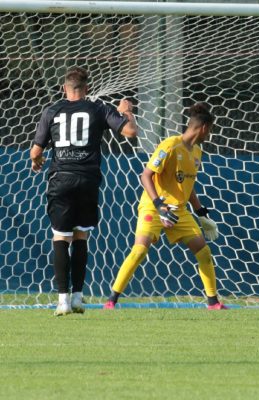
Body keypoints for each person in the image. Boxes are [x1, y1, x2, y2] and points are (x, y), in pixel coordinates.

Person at [31, 66, 138, 316]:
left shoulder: (52, 110)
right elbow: (131, 132)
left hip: (61, 179)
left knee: (60, 237)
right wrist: (127, 112)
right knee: (81, 237)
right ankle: (78, 297)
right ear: (87, 88)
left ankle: (62, 301)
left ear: (63, 89)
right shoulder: (99, 109)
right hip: (88, 180)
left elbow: (36, 151)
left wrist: (37, 161)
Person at [103, 102, 227, 310]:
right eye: (210, 130)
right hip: (154, 206)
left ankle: (213, 303)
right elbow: (146, 176)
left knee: (203, 252)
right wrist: (159, 206)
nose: (209, 134)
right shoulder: (170, 145)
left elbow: (188, 184)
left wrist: (201, 213)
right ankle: (111, 300)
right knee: (140, 250)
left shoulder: (197, 152)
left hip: (178, 210)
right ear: (204, 128)